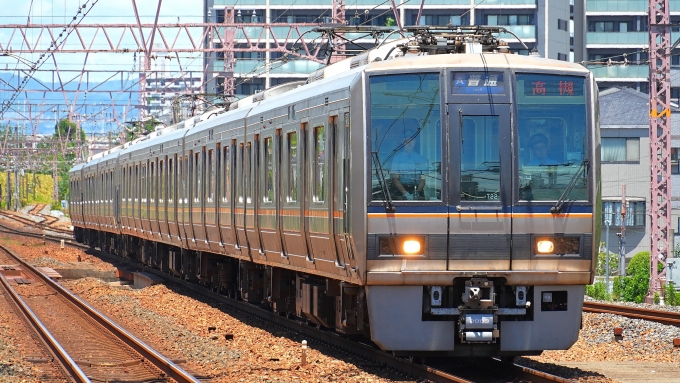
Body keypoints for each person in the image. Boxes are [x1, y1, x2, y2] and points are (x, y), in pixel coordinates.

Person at [391, 131, 428, 200]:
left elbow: (423, 178)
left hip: (418, 190)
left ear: (415, 141)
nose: (409, 142)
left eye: (412, 139)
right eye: (406, 140)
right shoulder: (397, 158)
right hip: (401, 190)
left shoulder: (420, 158)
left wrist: (418, 192)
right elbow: (395, 179)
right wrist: (405, 193)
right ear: (402, 142)